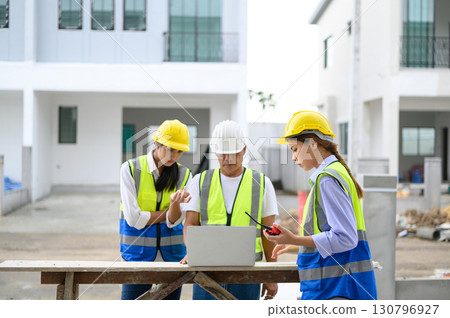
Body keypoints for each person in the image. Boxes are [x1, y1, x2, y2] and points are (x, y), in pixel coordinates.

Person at [264, 110, 377, 300]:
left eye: (294, 149)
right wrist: (293, 245)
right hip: (341, 287)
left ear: (312, 144)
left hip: (338, 289)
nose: (293, 158)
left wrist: (294, 240)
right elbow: (333, 233)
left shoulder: (327, 179)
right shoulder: (336, 172)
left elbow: (345, 238)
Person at [180, 120, 279, 300]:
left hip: (247, 274)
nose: (228, 159)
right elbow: (190, 224)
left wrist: (271, 275)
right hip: (206, 273)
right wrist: (192, 250)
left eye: (233, 153)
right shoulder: (200, 181)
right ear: (215, 152)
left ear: (243, 150)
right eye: (223, 153)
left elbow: (269, 232)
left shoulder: (262, 184)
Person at [119, 119, 192, 300]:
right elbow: (133, 219)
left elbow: (175, 220)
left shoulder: (185, 175)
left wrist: (174, 205)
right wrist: (166, 215)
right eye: (169, 149)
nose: (173, 156)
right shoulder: (130, 169)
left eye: (179, 151)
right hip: (136, 256)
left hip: (172, 257)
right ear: (156, 143)